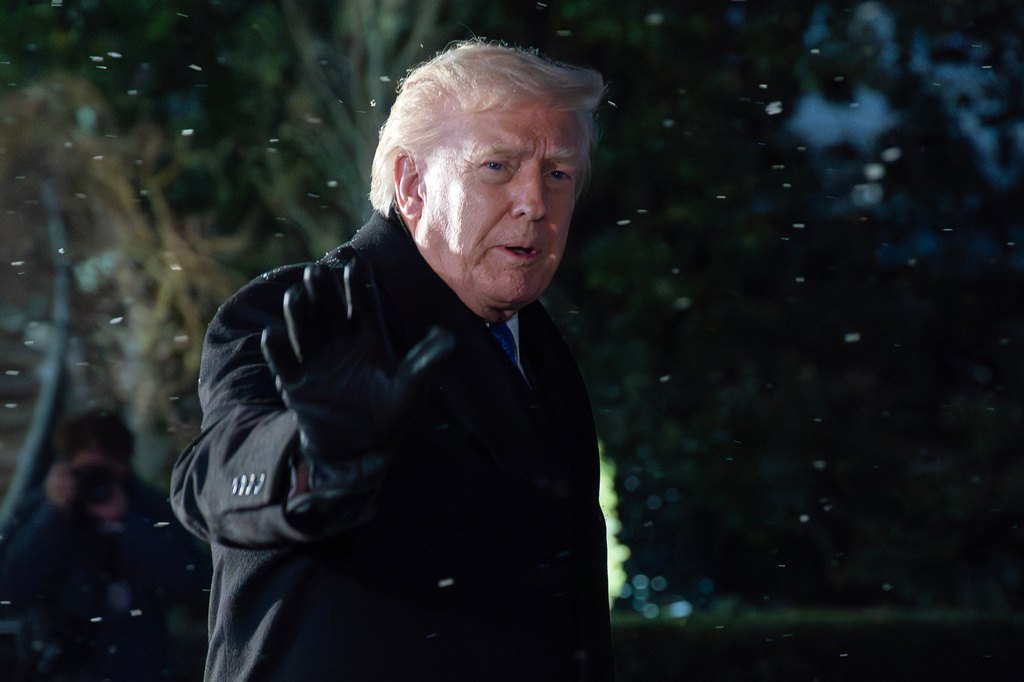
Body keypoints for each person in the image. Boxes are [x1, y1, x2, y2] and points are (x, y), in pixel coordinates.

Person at [171, 38, 615, 681]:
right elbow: (213, 484)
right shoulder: (307, 311)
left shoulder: (542, 349)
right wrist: (316, 452)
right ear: (410, 185)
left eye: (559, 173)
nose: (534, 203)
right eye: (497, 166)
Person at [0, 408, 212, 682]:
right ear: (66, 465)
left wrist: (127, 523)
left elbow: (192, 581)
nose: (93, 480)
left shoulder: (145, 504)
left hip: (136, 667)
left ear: (123, 465)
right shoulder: (38, 507)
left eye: (103, 469)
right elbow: (9, 590)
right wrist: (52, 514)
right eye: (85, 470)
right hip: (58, 666)